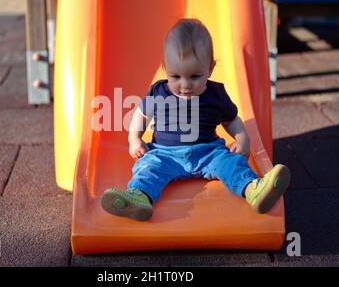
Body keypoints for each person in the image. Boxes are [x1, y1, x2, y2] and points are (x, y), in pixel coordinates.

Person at [101, 18, 290, 221]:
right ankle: (139, 197)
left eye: (194, 76)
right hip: (165, 154)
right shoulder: (159, 91)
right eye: (175, 76)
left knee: (230, 163)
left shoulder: (216, 94)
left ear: (210, 68)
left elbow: (230, 120)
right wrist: (135, 139)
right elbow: (141, 115)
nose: (185, 84)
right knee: (148, 167)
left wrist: (242, 138)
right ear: (165, 68)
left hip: (208, 151)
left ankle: (253, 189)